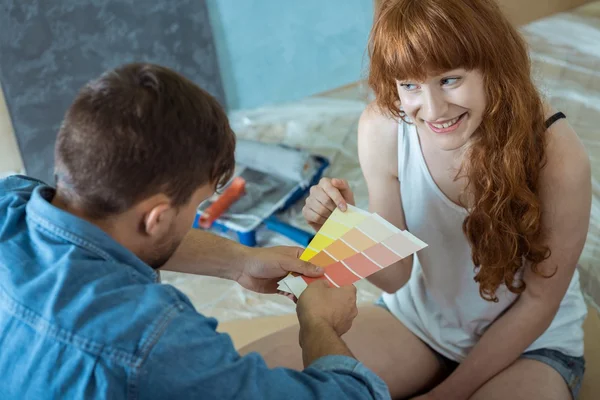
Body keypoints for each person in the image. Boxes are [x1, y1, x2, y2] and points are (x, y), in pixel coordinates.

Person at [241, 1, 591, 399]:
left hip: (532, 345)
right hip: (420, 324)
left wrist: (446, 394)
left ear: (495, 65)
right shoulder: (384, 128)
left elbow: (540, 302)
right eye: (409, 85)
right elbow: (395, 275)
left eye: (449, 80)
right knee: (250, 384)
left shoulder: (557, 156)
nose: (434, 110)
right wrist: (341, 225)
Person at [0, 63, 390, 399]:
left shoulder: (9, 199)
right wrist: (318, 325)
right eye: (197, 206)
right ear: (155, 218)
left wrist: (239, 261)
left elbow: (105, 231)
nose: (196, 217)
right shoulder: (152, 342)